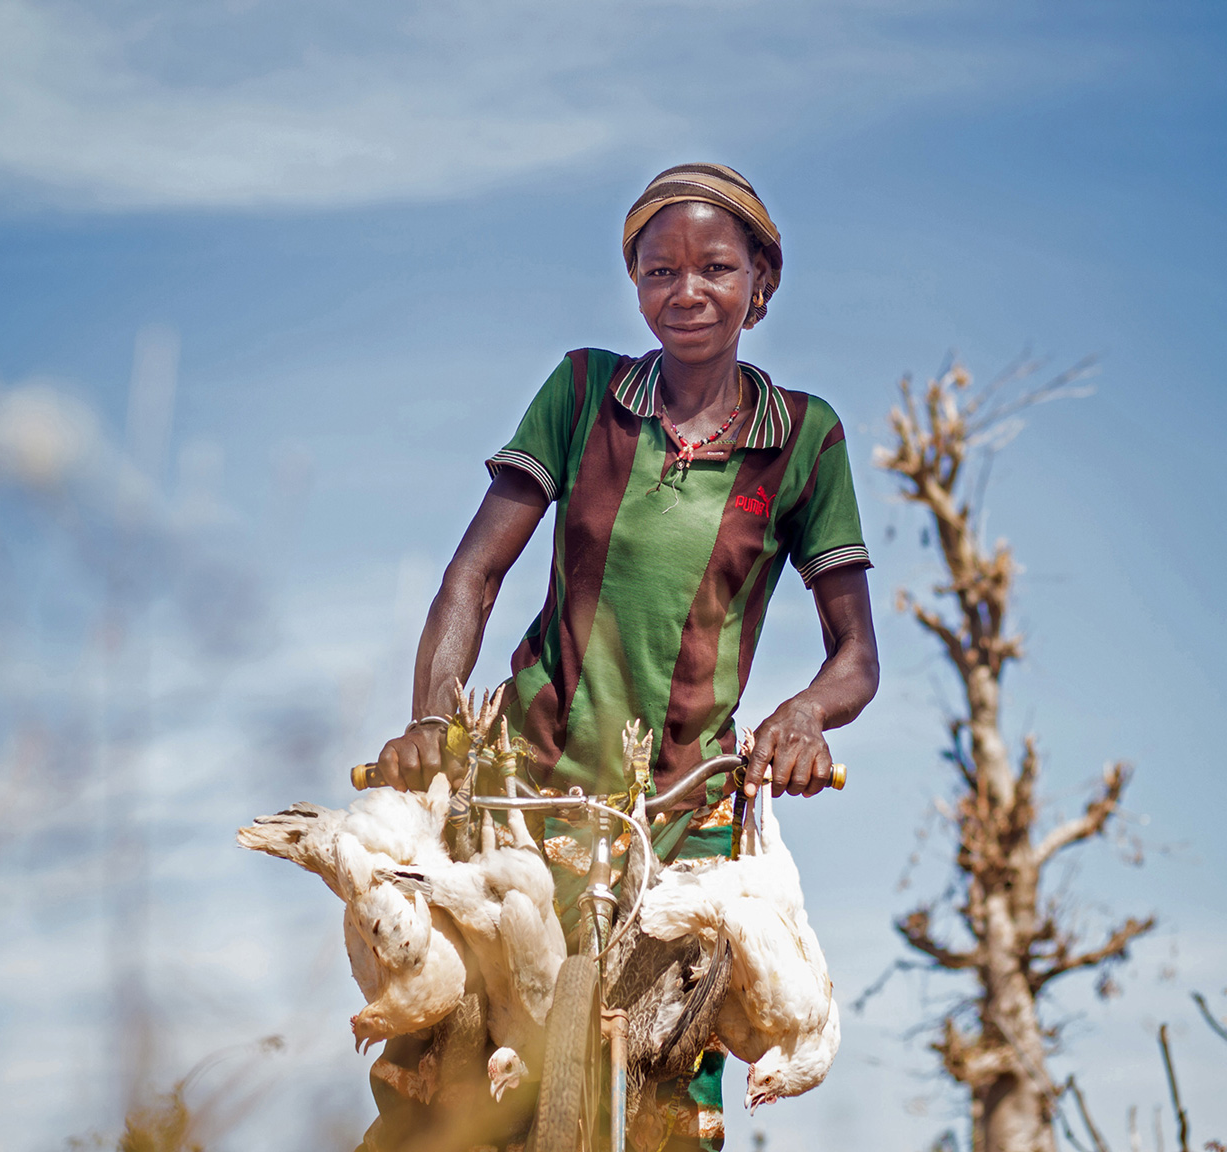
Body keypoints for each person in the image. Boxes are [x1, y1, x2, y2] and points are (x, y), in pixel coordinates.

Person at [360, 163, 879, 1152]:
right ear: (634, 283)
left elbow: (856, 653)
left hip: (683, 821)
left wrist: (806, 715)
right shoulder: (583, 391)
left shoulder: (805, 441)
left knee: (667, 1105)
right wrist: (432, 719)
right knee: (442, 1072)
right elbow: (472, 577)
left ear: (761, 286)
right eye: (660, 271)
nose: (687, 293)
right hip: (524, 789)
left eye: (716, 270)